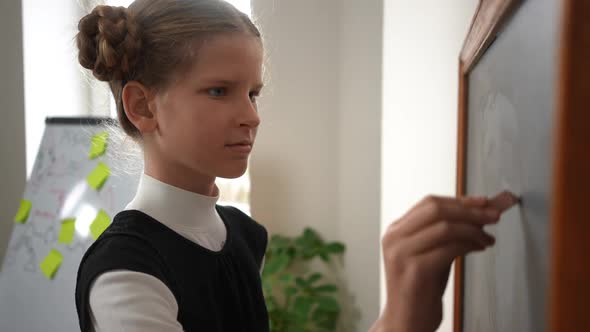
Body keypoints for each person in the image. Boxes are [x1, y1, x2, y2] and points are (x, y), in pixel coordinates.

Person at [74, 1, 519, 331]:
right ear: (142, 105)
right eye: (218, 91)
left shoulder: (243, 236)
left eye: (253, 93)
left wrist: (406, 309)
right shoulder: (127, 271)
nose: (252, 116)